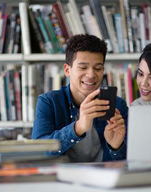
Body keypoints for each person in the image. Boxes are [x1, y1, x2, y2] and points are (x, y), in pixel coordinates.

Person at [32, 34, 128, 162]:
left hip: (104, 178)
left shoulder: (118, 105)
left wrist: (115, 147)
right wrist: (78, 128)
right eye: (83, 67)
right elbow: (38, 152)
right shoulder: (49, 102)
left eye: (98, 68)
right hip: (63, 179)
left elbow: (128, 160)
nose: (91, 74)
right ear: (67, 69)